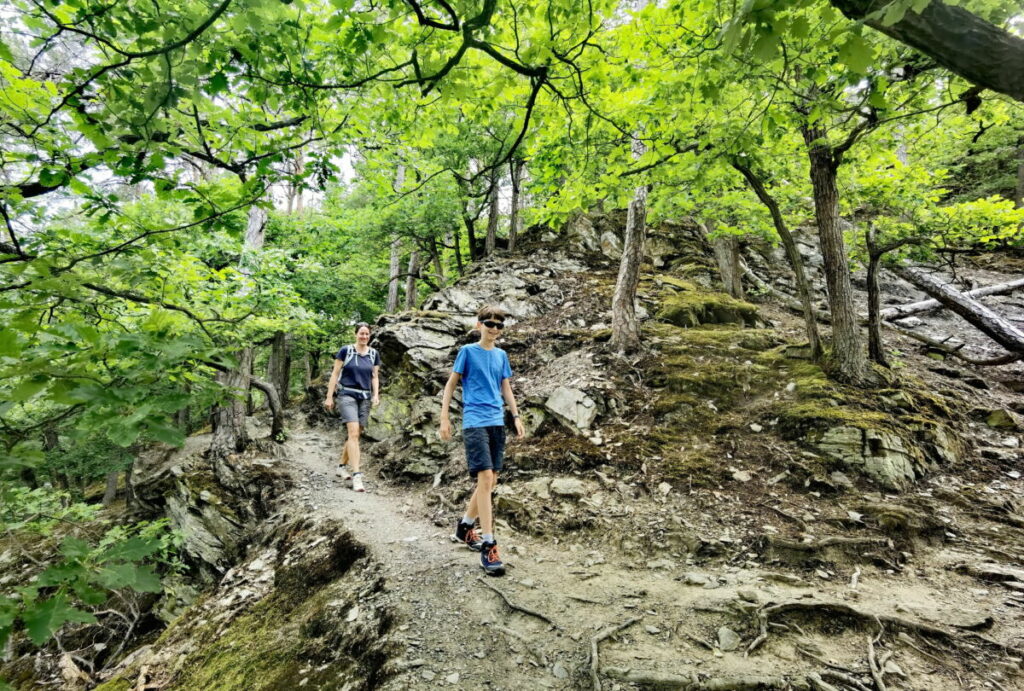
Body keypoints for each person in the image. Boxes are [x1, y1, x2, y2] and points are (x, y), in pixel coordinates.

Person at [439, 305, 525, 576]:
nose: (494, 329)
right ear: (479, 325)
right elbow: (451, 385)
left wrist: (516, 415)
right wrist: (444, 418)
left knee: (490, 481)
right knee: (486, 479)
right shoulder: (467, 352)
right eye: (489, 323)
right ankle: (489, 544)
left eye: (499, 325)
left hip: (497, 421)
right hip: (474, 420)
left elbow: (505, 387)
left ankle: (465, 527)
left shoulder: (501, 355)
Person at [324, 322, 381, 492]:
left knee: (356, 434)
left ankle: (341, 466)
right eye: (361, 333)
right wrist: (329, 397)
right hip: (346, 394)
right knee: (353, 433)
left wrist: (376, 394)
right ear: (356, 334)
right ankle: (357, 476)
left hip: (364, 396)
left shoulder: (373, 354)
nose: (364, 336)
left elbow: (374, 376)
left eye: (367, 334)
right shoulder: (345, 351)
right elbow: (335, 374)